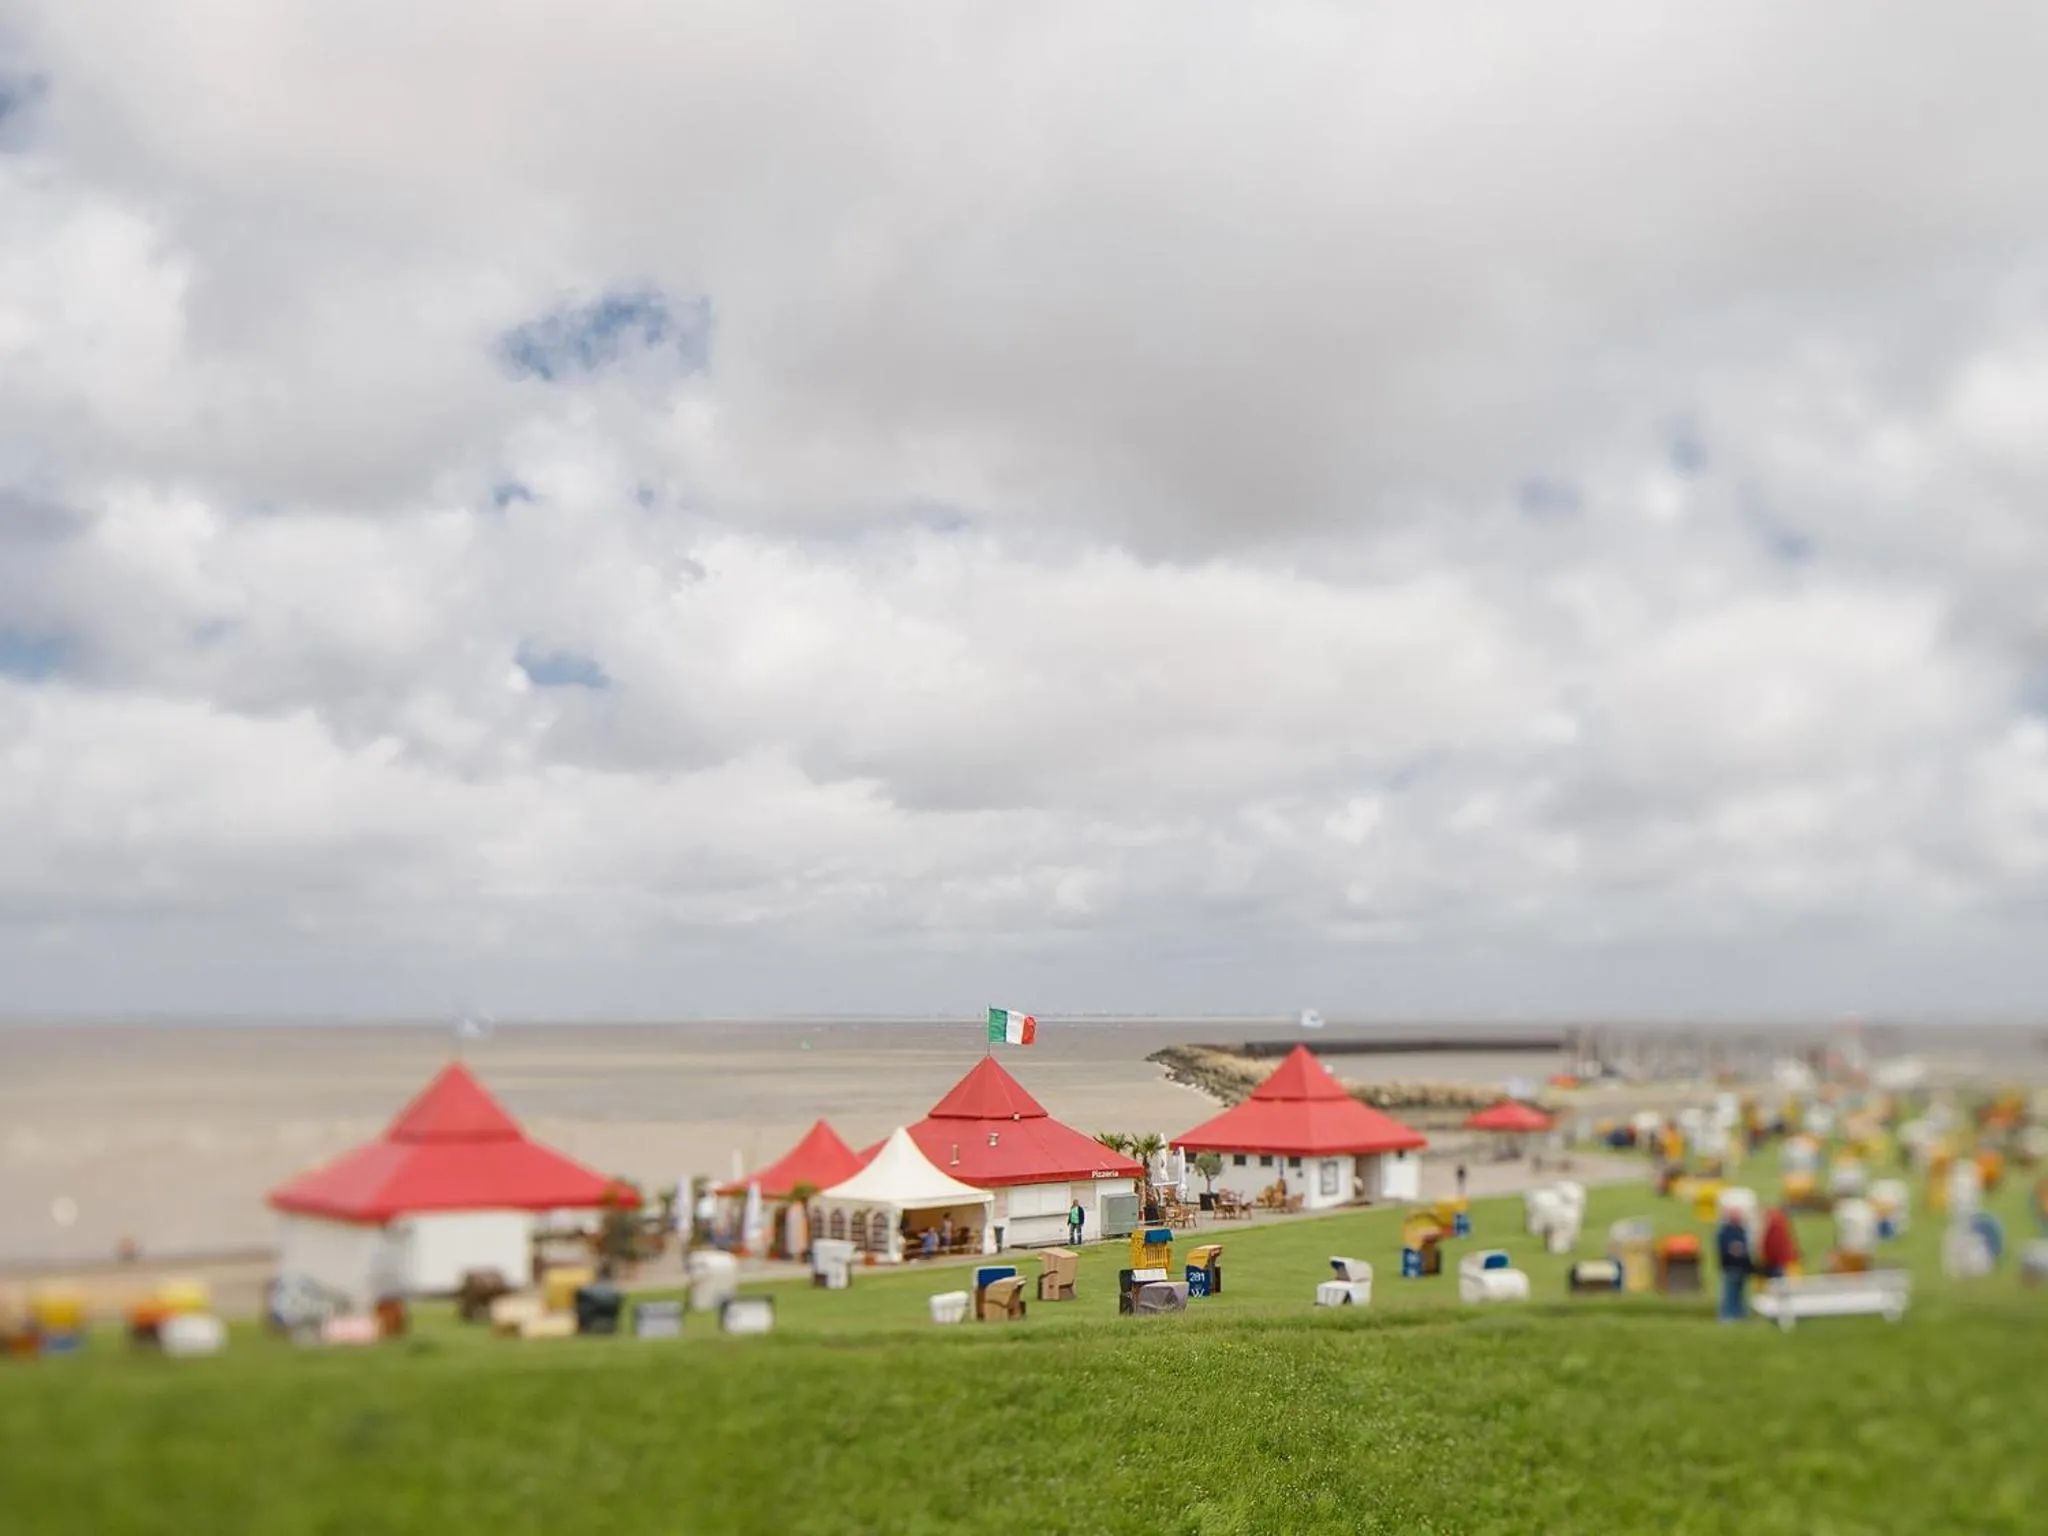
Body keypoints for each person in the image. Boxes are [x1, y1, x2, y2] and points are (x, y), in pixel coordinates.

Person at [1715, 1203, 1754, 1322]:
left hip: (1741, 1267)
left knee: (1740, 1293)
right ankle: (1727, 1316)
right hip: (1730, 1266)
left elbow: (1746, 1247)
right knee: (1729, 1293)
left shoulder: (1741, 1230)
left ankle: (1739, 1315)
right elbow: (1724, 1248)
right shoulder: (1725, 1231)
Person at [1759, 1206, 1799, 1280]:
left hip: (1777, 1263)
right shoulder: (1778, 1225)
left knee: (1777, 1284)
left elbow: (1774, 1247)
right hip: (1778, 1262)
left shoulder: (1774, 1227)